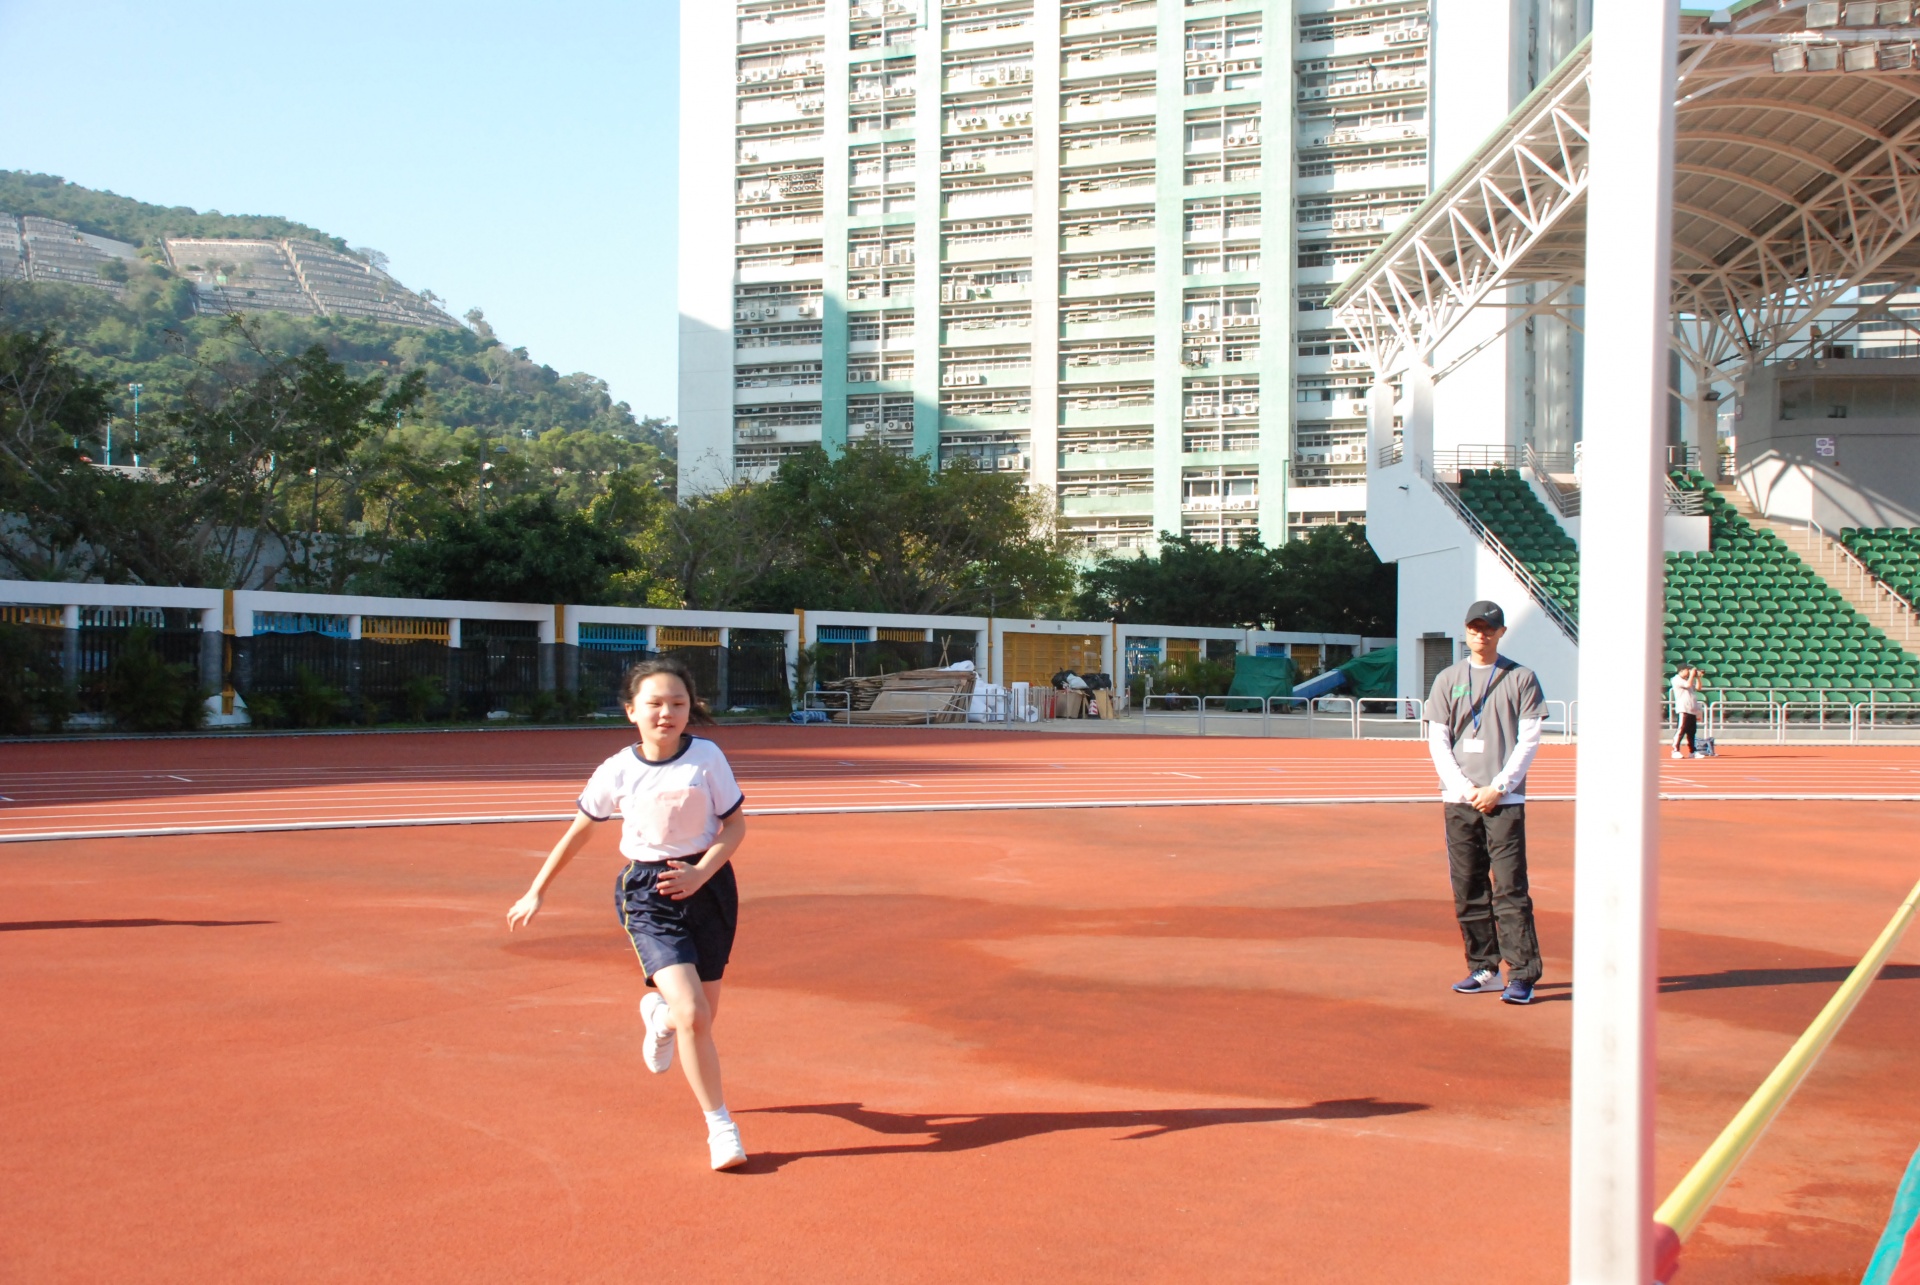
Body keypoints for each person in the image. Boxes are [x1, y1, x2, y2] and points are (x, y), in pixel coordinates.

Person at [507, 657, 751, 1170]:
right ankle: (721, 1127)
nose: (667, 713)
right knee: (694, 1014)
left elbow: (734, 827)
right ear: (631, 711)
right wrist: (536, 891)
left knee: (700, 1018)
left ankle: (658, 1018)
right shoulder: (617, 769)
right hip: (647, 894)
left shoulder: (706, 757)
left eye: (678, 703)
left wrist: (699, 874)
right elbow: (578, 832)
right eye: (655, 703)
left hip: (708, 886)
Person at [1424, 600, 1548, 1005]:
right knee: (1468, 885)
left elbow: (1529, 739)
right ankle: (1483, 967)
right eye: (1475, 627)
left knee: (1510, 887)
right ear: (1466, 630)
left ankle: (1522, 973)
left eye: (1489, 628)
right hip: (1459, 799)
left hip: (1504, 799)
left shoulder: (1521, 678)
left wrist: (1499, 786)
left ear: (1501, 632)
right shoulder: (1447, 679)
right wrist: (1463, 788)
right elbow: (1438, 740)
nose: (1482, 634)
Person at [1671, 664, 1704, 758]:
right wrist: (1692, 675)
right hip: (1683, 709)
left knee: (1692, 732)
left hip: (1692, 709)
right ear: (1681, 670)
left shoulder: (1687, 680)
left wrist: (1698, 678)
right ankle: (1675, 750)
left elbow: (1698, 688)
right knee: (1681, 730)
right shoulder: (1676, 679)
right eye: (1687, 669)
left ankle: (1692, 751)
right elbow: (1688, 685)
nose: (1689, 671)